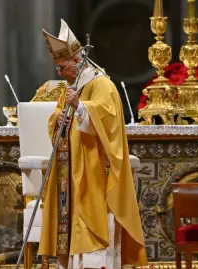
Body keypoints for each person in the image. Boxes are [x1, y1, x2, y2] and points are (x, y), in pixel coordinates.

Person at [38, 19, 147, 268]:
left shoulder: (102, 84)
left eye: (62, 67)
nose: (58, 73)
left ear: (77, 63)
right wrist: (60, 118)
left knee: (93, 220)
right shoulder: (71, 88)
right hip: (72, 168)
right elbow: (56, 119)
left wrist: (80, 108)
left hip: (94, 170)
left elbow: (108, 122)